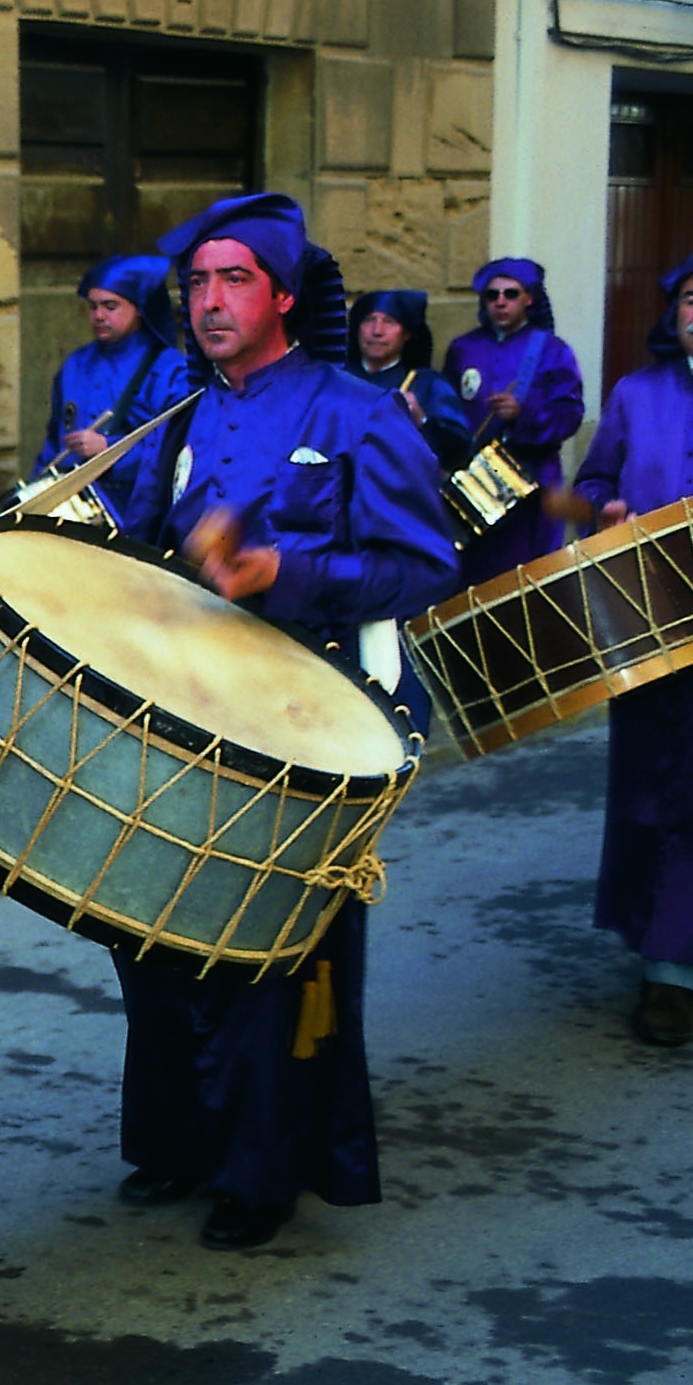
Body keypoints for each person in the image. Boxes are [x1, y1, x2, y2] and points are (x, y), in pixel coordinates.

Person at [107, 194, 459, 1250]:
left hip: (312, 722)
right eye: (198, 283)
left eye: (235, 281)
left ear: (286, 297)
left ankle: (264, 1170)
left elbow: (425, 563)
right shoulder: (183, 406)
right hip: (188, 711)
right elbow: (135, 533)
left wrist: (286, 570)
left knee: (270, 956)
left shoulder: (356, 411)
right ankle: (175, 1139)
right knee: (157, 935)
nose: (209, 302)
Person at [563, 244, 693, 1046]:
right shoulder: (637, 393)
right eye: (691, 300)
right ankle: (687, 942)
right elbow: (598, 482)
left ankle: (675, 973)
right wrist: (601, 510)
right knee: (648, 788)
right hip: (642, 622)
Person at [443, 257, 585, 581]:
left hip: (531, 481)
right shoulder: (463, 349)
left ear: (529, 298)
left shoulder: (553, 351)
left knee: (525, 574)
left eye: (511, 294)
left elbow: (571, 414)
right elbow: (446, 408)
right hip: (474, 477)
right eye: (493, 296)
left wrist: (525, 416)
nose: (501, 302)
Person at [33, 253, 191, 515]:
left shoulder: (169, 370)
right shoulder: (75, 365)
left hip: (137, 514)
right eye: (92, 306)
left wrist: (108, 449)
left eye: (110, 306)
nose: (98, 315)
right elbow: (54, 444)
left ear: (140, 307)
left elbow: (177, 453)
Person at [348, 289, 473, 473]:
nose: (377, 331)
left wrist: (421, 420)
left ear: (406, 334)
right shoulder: (335, 380)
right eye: (369, 321)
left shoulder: (427, 385)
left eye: (389, 322)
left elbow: (459, 454)